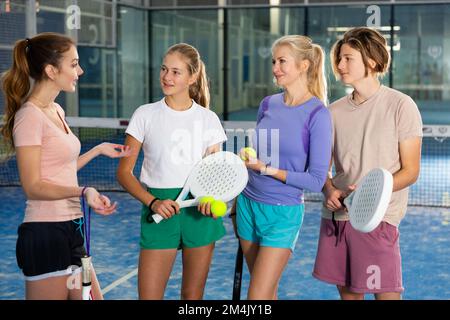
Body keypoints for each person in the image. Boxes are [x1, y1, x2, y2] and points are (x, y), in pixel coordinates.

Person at [1, 32, 132, 299]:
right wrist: (84, 192)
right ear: (51, 70)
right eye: (73, 64)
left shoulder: (56, 110)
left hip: (72, 228)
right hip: (45, 232)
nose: (80, 70)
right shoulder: (29, 117)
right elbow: (34, 186)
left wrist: (97, 150)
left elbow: (61, 171)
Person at [312, 27, 423, 300]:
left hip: (379, 220)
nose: (339, 65)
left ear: (371, 61)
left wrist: (369, 192)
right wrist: (328, 191)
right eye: (339, 58)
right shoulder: (332, 112)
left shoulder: (401, 105)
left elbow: (410, 171)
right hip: (338, 219)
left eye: (348, 58)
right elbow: (322, 169)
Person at [117, 43, 227, 300]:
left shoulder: (209, 120)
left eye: (176, 72)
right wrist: (153, 202)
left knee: (192, 297)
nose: (167, 77)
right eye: (164, 69)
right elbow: (124, 172)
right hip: (158, 209)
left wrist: (212, 199)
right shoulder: (144, 115)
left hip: (199, 214)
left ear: (193, 76)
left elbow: (215, 176)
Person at [234, 35, 332, 299]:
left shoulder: (318, 115)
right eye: (274, 61)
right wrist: (248, 163)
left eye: (282, 62)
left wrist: (266, 169)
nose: (275, 68)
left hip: (282, 214)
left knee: (256, 297)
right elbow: (259, 153)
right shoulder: (267, 104)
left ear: (303, 65)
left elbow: (315, 180)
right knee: (267, 293)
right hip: (247, 206)